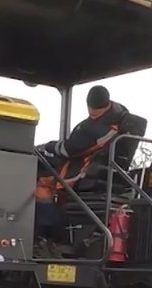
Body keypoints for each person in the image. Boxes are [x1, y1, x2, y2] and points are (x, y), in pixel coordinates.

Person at [33, 85, 131, 251]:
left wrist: (47, 147)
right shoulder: (120, 117)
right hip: (105, 171)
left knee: (42, 181)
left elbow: (68, 149)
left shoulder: (91, 129)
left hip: (82, 171)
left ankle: (50, 233)